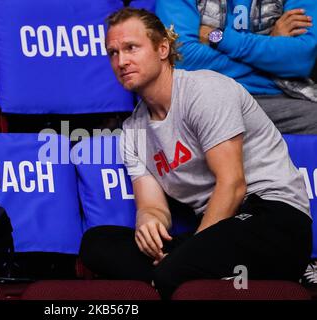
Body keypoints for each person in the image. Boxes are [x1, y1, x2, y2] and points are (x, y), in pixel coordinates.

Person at [79, 8, 312, 299]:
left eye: (131, 48)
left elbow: (233, 185)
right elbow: (153, 206)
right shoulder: (133, 130)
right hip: (218, 231)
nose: (121, 61)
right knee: (96, 244)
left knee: (172, 271)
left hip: (270, 218)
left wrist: (185, 255)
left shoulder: (205, 90)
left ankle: (183, 275)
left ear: (162, 48)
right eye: (113, 53)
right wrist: (148, 224)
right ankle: (208, 277)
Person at [155, 0, 317, 134]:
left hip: (281, 99)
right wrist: (271, 50)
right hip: (206, 98)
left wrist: (219, 37)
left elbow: (301, 57)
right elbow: (183, 57)